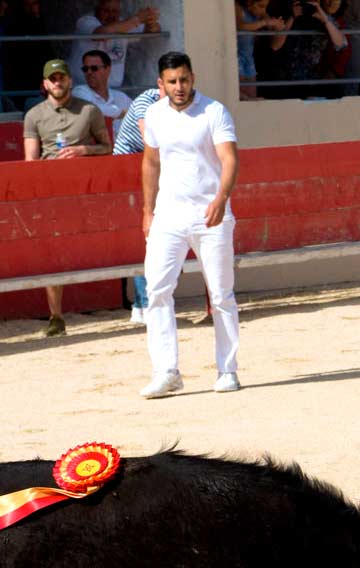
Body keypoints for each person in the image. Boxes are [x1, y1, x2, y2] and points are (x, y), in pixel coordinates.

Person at [140, 52, 239, 398]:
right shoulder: (153, 114)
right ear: (161, 83)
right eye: (172, 81)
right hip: (169, 214)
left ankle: (227, 369)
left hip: (210, 213)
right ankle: (166, 370)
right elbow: (151, 162)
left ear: (192, 78)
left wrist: (221, 198)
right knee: (156, 290)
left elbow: (229, 158)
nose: (179, 87)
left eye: (184, 79)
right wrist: (147, 210)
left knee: (221, 293)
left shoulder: (214, 111)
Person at [23, 59, 109, 338]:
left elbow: (108, 147)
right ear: (44, 84)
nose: (58, 82)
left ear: (70, 81)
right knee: (53, 251)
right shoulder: (34, 115)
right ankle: (56, 315)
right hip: (52, 190)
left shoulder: (89, 111)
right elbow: (30, 161)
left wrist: (84, 150)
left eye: (62, 77)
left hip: (87, 188)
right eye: (53, 78)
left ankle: (144, 305)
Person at [113, 85, 163, 323]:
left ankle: (146, 302)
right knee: (146, 239)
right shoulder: (147, 101)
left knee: (156, 240)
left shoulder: (181, 104)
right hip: (128, 174)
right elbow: (149, 141)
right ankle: (143, 303)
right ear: (160, 84)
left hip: (153, 170)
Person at [70, 0, 161, 92]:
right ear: (97, 10)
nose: (111, 15)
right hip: (84, 90)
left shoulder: (123, 24)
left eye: (115, 11)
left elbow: (150, 30)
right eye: (106, 11)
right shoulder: (86, 21)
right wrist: (137, 19)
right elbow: (101, 34)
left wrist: (151, 22)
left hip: (114, 91)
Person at [235, 0, 287, 100]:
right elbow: (240, 27)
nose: (264, 9)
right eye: (261, 6)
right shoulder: (238, 7)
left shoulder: (259, 12)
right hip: (237, 58)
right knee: (239, 96)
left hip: (248, 59)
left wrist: (278, 26)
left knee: (252, 97)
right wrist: (264, 22)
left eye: (266, 6)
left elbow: (275, 42)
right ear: (249, 2)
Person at [72, 48, 134, 118]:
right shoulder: (79, 92)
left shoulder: (121, 97)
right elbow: (93, 108)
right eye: (85, 69)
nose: (89, 72)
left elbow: (139, 112)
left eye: (94, 68)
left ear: (107, 69)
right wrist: (122, 113)